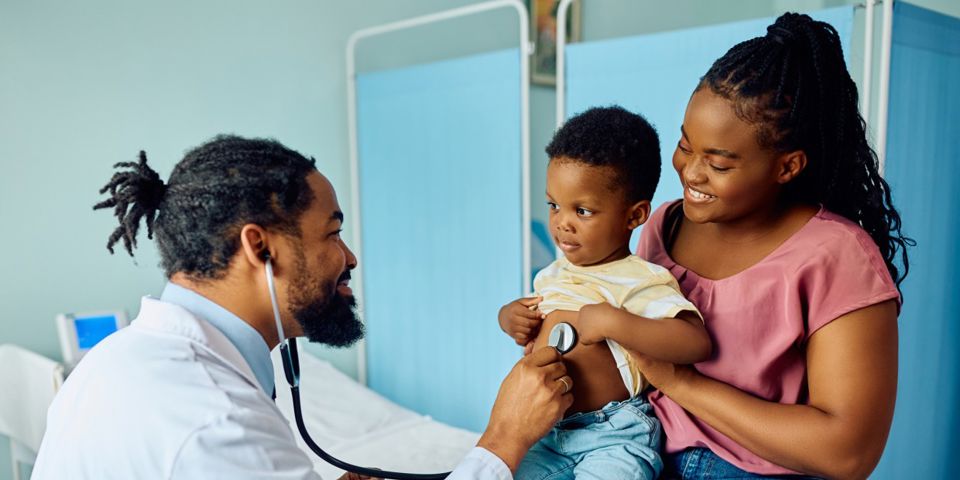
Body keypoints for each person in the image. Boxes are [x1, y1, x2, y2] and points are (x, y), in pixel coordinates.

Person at [31, 135, 575, 479]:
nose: (350, 256)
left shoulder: (113, 361)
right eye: (333, 233)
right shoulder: (214, 421)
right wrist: (504, 441)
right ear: (259, 247)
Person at [631, 12, 912, 480]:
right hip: (641, 451)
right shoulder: (666, 224)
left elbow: (848, 453)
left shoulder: (836, 256)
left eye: (719, 164)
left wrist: (682, 383)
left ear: (787, 166)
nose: (691, 173)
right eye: (686, 146)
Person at [498, 106, 712, 480]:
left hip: (613, 433)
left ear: (634, 216)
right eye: (553, 205)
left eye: (582, 211)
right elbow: (532, 321)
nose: (562, 222)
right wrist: (511, 318)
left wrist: (616, 322)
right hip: (547, 432)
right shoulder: (552, 274)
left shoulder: (640, 279)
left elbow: (695, 342)